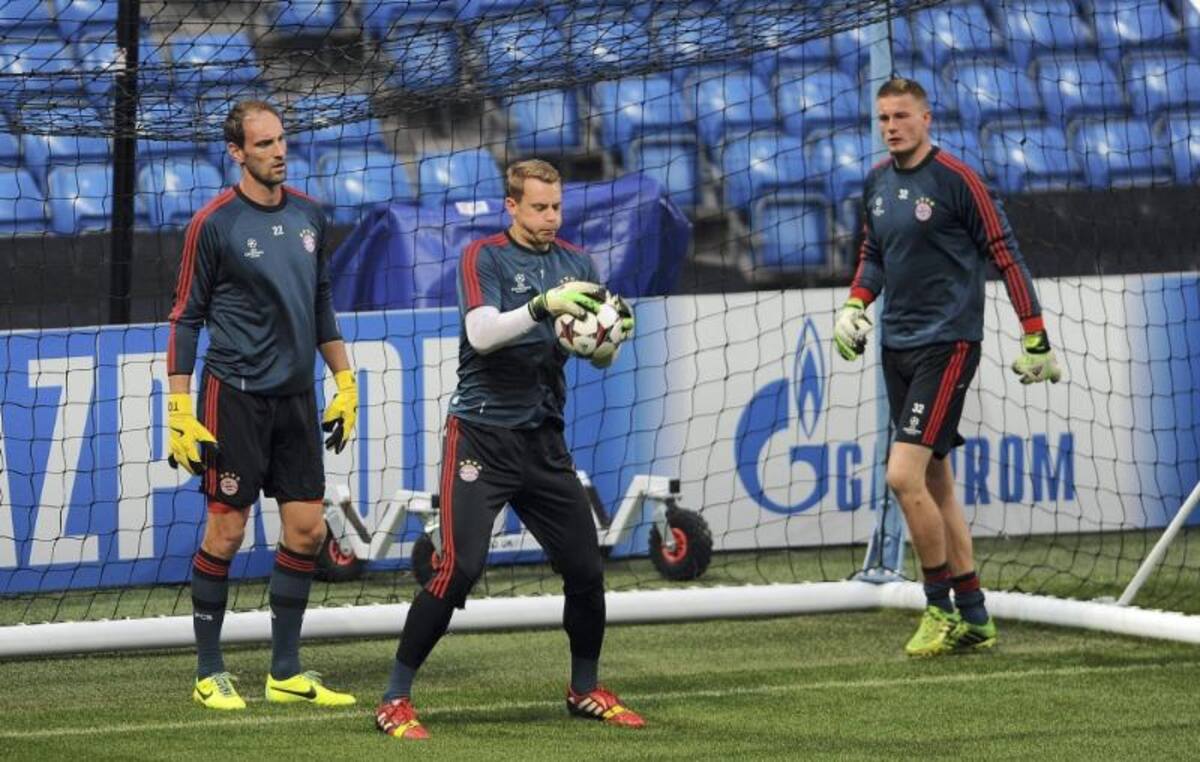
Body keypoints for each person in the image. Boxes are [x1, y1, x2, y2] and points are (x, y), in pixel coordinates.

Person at [373, 159, 641, 740]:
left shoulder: (578, 263)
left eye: (557, 207)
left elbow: (591, 353)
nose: (550, 218)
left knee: (585, 569)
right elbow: (482, 333)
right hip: (481, 437)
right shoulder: (484, 257)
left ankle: (585, 688)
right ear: (511, 206)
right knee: (459, 568)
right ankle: (394, 698)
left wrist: (606, 340)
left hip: (543, 440)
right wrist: (545, 305)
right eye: (539, 207)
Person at [833, 78, 1062, 656]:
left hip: (949, 344)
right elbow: (872, 254)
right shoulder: (877, 183)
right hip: (896, 345)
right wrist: (855, 304)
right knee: (936, 480)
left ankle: (937, 608)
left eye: (901, 116)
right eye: (883, 117)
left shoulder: (958, 180)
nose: (891, 127)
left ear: (926, 118)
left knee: (901, 476)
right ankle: (976, 614)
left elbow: (1005, 252)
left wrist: (1034, 333)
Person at [166, 100, 360, 709]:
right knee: (226, 531)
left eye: (282, 140)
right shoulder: (214, 223)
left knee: (305, 530)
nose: (278, 150)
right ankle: (208, 671)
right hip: (236, 396)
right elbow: (185, 317)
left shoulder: (310, 216)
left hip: (298, 398)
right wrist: (177, 405)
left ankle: (284, 671)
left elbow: (321, 301)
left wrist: (345, 381)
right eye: (264, 143)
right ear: (237, 153)